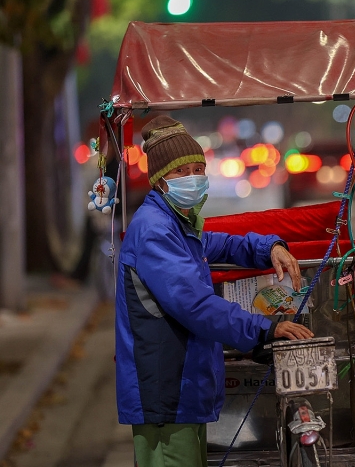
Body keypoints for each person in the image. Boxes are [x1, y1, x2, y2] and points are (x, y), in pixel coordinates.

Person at [115, 115, 313, 467]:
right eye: (180, 172)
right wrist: (265, 328)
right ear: (159, 179)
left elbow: (220, 244)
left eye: (197, 168)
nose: (192, 178)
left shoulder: (178, 225)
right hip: (167, 394)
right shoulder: (154, 231)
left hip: (184, 392)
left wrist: (270, 247)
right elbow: (196, 306)